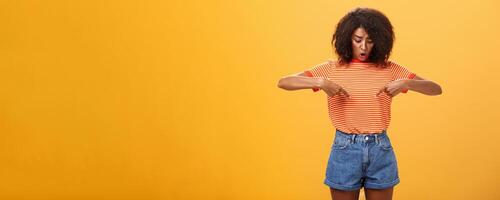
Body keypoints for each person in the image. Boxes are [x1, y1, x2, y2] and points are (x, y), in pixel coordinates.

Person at [277, 7, 442, 200]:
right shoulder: (331, 69)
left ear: (380, 42)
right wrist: (319, 82)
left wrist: (407, 83)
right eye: (358, 40)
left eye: (370, 41)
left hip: (380, 149)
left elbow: (435, 89)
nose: (363, 47)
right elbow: (284, 82)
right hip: (345, 148)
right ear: (347, 38)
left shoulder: (390, 70)